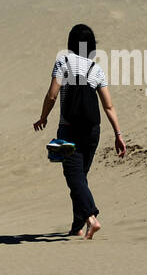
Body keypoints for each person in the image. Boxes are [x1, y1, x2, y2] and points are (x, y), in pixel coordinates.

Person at [33, 23, 126, 238]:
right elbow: (108, 106)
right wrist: (118, 135)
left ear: (71, 43)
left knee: (73, 176)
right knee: (80, 177)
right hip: (93, 130)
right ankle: (77, 227)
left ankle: (91, 218)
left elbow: (52, 95)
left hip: (68, 129)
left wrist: (43, 117)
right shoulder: (96, 69)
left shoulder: (62, 62)